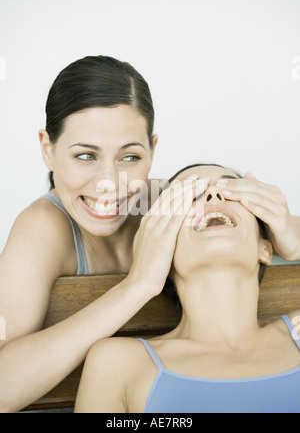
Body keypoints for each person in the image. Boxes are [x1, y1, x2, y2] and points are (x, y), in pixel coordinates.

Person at [0, 56, 206, 413]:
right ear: (47, 149)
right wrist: (137, 286)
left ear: (153, 150)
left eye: (129, 158)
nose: (109, 183)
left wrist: (289, 235)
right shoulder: (43, 228)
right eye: (85, 156)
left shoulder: (159, 202)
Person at [75, 164, 300, 414]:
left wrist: (294, 239)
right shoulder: (118, 363)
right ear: (162, 251)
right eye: (189, 195)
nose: (214, 196)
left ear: (266, 249)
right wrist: (140, 280)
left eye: (231, 190)